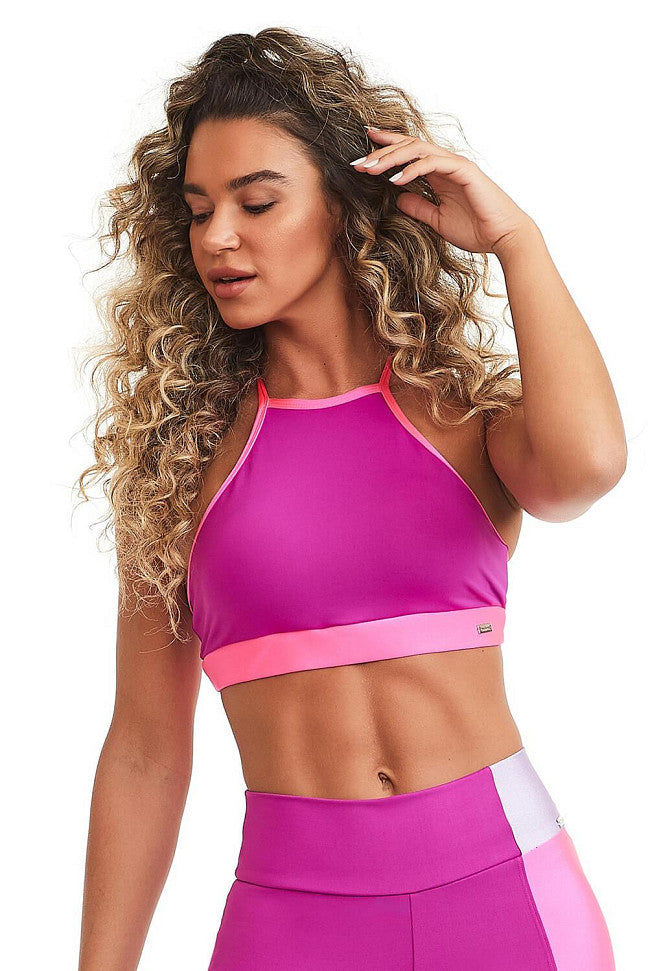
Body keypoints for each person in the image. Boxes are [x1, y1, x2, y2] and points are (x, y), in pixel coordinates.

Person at [76, 27, 626, 971]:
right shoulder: (179, 468)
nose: (218, 237)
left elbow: (589, 466)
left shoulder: (459, 419)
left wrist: (517, 242)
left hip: (508, 901)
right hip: (291, 925)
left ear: (341, 204)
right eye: (200, 211)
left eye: (257, 202)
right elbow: (145, 752)